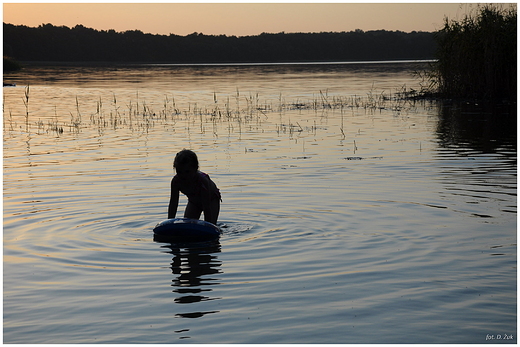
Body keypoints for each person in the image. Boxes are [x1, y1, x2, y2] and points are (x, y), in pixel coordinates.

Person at [168, 149, 221, 225]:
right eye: (179, 172)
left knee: (211, 224)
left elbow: (207, 207)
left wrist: (208, 225)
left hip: (211, 200)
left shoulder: (202, 181)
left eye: (187, 172)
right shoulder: (176, 182)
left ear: (195, 169)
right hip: (194, 202)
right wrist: (170, 223)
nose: (183, 176)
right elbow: (173, 203)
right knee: (188, 224)